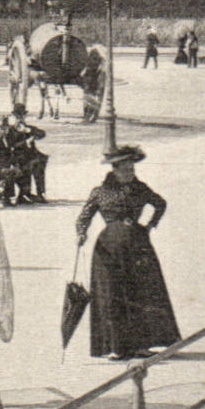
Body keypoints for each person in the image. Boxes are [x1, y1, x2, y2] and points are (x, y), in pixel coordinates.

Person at [75, 144, 180, 360]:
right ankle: (117, 347)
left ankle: (142, 345)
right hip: (109, 248)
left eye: (132, 169)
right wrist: (81, 233)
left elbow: (160, 204)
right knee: (112, 295)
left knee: (141, 293)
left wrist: (150, 225)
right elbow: (84, 217)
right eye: (125, 169)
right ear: (114, 169)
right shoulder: (100, 192)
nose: (130, 173)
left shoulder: (140, 188)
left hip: (138, 246)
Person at [0, 108, 49, 206]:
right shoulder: (5, 135)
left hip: (18, 160)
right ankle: (9, 197)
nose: (20, 119)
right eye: (1, 128)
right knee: (15, 171)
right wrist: (10, 165)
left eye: (22, 116)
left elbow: (42, 134)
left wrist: (27, 130)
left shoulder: (24, 129)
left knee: (31, 166)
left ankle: (27, 194)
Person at [79, 50, 104, 123]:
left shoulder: (88, 63)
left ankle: (87, 117)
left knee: (87, 100)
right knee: (92, 101)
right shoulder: (99, 64)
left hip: (89, 84)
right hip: (93, 83)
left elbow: (82, 74)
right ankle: (90, 117)